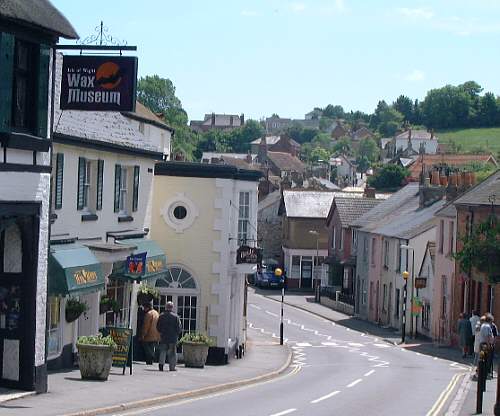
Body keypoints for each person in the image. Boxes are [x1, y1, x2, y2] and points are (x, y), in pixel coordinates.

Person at [156, 301, 182, 372]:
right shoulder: (176, 317)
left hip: (164, 336)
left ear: (166, 307)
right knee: (172, 353)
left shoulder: (161, 316)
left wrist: (161, 332)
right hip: (173, 338)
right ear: (172, 307)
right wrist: (177, 334)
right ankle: (172, 367)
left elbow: (158, 326)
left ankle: (161, 365)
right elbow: (179, 328)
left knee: (163, 351)